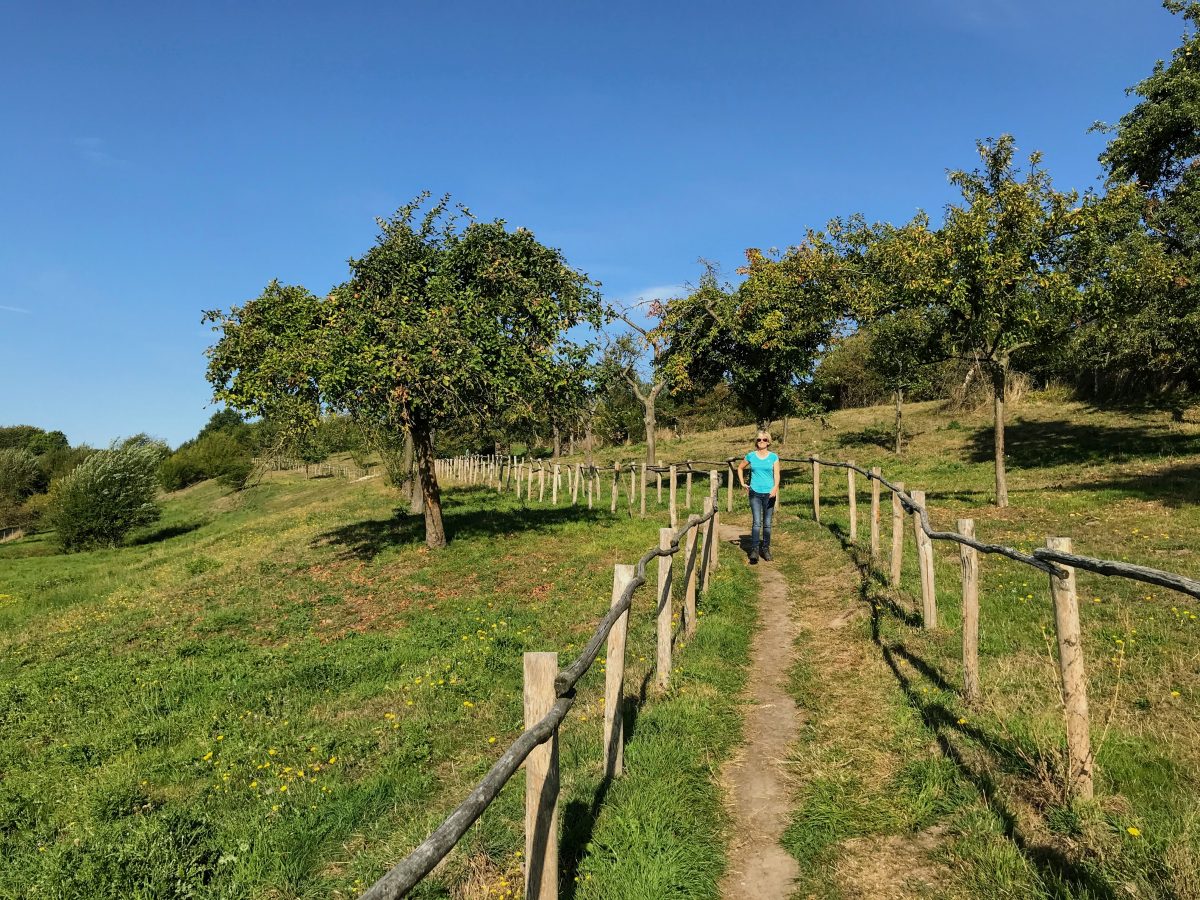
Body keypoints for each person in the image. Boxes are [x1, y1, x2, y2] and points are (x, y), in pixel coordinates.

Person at [737, 430, 780, 563]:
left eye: (764, 440)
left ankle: (765, 549)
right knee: (756, 523)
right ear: (756, 442)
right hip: (755, 493)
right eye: (759, 440)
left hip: (769, 494)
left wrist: (775, 488)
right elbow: (740, 468)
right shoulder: (751, 456)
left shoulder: (773, 457)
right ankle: (754, 550)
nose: (761, 442)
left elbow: (777, 475)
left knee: (767, 524)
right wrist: (743, 483)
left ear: (768, 442)